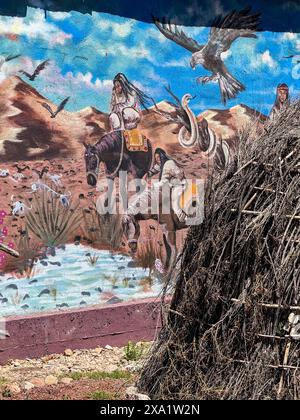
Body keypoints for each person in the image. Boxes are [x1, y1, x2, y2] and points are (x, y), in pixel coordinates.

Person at [127, 148, 188, 223]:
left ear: (162, 156)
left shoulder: (169, 163)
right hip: (166, 185)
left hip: (177, 186)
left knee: (175, 206)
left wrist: (173, 181)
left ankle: (186, 219)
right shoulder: (162, 164)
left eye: (159, 157)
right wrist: (147, 174)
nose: (157, 159)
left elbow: (179, 173)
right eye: (156, 158)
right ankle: (133, 210)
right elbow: (154, 169)